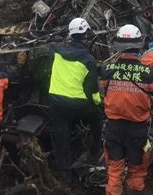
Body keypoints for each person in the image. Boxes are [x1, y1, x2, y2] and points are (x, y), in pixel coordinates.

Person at [101, 24, 153, 195]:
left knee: (114, 168)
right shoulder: (151, 73)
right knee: (136, 167)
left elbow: (102, 95)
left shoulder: (107, 70)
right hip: (137, 128)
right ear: (139, 45)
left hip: (113, 126)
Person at [48, 17, 102, 184]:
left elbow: (54, 44)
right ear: (86, 35)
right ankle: (95, 148)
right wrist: (97, 101)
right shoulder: (88, 60)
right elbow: (92, 88)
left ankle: (64, 175)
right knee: (97, 117)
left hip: (56, 102)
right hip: (77, 104)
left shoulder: (57, 49)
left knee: (61, 135)